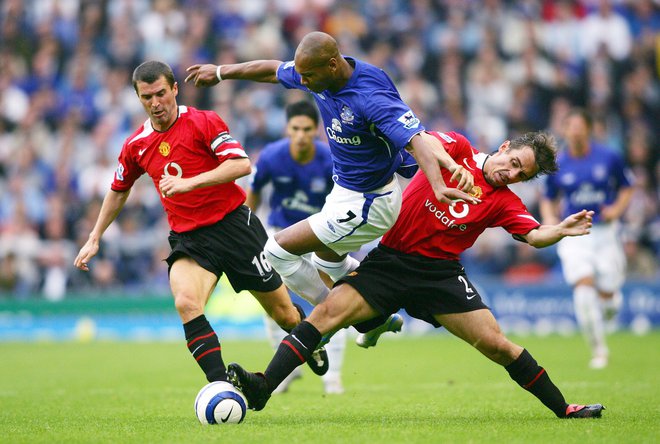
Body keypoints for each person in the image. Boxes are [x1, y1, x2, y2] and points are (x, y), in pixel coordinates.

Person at [227, 130, 605, 419]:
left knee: (496, 345)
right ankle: (262, 387)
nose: (512, 173)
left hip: (439, 275)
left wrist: (558, 230)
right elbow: (421, 143)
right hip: (390, 263)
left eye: (522, 174)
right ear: (505, 146)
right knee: (324, 316)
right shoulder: (456, 148)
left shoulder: (505, 202)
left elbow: (534, 235)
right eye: (514, 161)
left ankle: (564, 408)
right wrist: (448, 167)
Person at [185, 32, 478, 344]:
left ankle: (333, 319)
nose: (304, 82)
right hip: (344, 191)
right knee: (327, 261)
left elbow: (416, 138)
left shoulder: (369, 95)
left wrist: (436, 184)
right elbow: (273, 70)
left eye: (309, 76)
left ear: (333, 65)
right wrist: (220, 72)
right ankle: (372, 316)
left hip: (371, 200)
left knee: (276, 251)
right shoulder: (318, 74)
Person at [73, 60, 309, 385]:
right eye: (146, 98)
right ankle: (221, 388)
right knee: (185, 302)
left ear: (174, 89)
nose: (155, 104)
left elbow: (240, 165)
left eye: (160, 94)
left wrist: (190, 183)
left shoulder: (203, 122)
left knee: (285, 315)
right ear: (138, 99)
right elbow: (118, 190)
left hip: (235, 227)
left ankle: (309, 337)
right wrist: (95, 236)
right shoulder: (135, 145)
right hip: (190, 240)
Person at [245, 100, 344, 394]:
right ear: (287, 129)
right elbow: (254, 195)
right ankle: (286, 372)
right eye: (295, 128)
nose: (301, 135)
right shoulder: (271, 157)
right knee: (274, 305)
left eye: (307, 129)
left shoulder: (330, 160)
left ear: (316, 131)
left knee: (332, 302)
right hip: (280, 236)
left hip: (318, 237)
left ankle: (333, 376)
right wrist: (249, 233)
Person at [540, 108, 634, 370]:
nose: (576, 131)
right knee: (583, 289)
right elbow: (548, 196)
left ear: (589, 129)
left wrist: (616, 209)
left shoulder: (609, 156)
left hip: (605, 231)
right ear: (565, 130)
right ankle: (599, 351)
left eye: (581, 126)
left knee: (608, 299)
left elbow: (627, 185)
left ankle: (610, 302)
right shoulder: (557, 163)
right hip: (574, 233)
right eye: (572, 126)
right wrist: (551, 221)